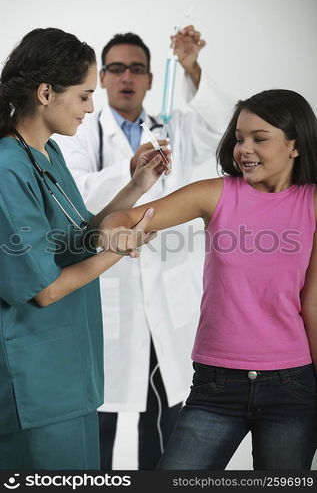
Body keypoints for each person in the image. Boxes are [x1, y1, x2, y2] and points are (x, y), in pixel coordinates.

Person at [99, 89, 317, 470]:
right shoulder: (215, 195)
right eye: (239, 137)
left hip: (292, 387)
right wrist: (119, 234)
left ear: (295, 145)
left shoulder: (312, 204)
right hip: (216, 386)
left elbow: (313, 303)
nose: (244, 148)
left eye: (259, 139)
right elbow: (119, 219)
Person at [56, 26, 232, 470]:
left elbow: (227, 123)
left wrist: (191, 66)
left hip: (166, 301)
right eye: (115, 69)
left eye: (136, 69)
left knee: (164, 417)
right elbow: (75, 198)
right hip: (109, 291)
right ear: (102, 78)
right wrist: (130, 170)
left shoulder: (172, 128)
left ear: (151, 79)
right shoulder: (79, 134)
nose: (126, 77)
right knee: (101, 418)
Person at [0, 27, 169, 470]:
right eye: (83, 95)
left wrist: (137, 185)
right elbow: (46, 289)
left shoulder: (48, 153)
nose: (92, 107)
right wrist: (122, 248)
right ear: (45, 92)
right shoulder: (7, 169)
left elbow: (80, 236)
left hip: (71, 372)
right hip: (35, 380)